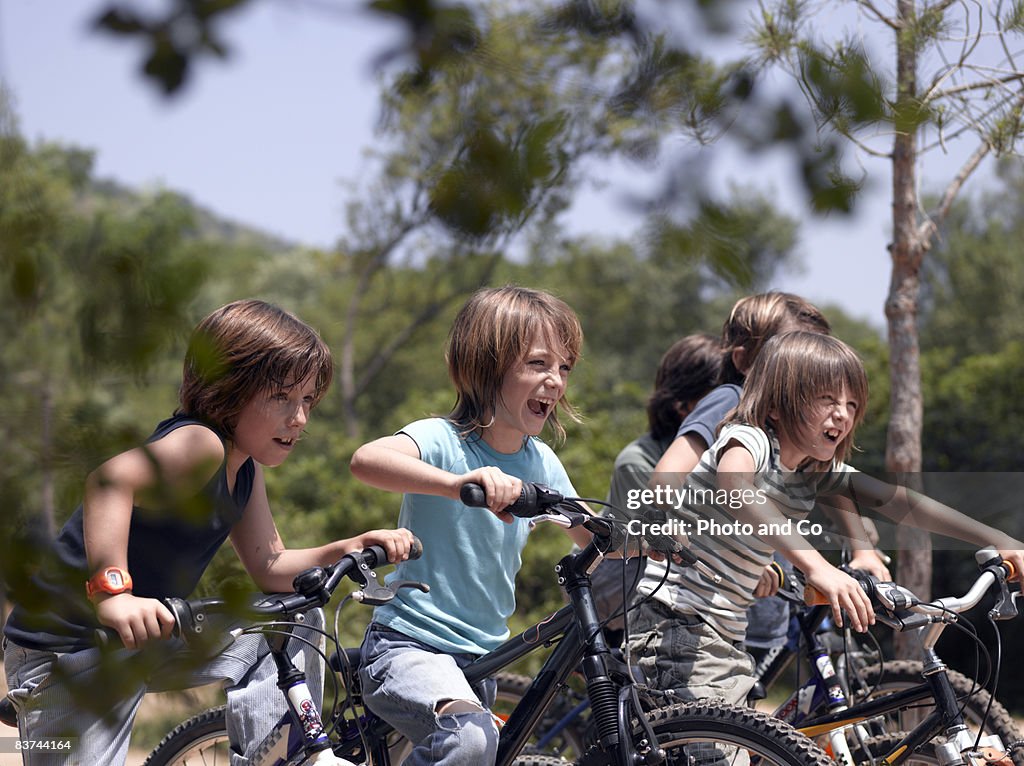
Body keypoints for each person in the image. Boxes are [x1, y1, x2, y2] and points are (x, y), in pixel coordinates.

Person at [2, 299, 415, 766]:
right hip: (71, 651)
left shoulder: (245, 470)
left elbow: (271, 565)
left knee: (290, 621)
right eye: (281, 397)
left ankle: (279, 757)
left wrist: (347, 547)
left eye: (306, 401)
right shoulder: (200, 444)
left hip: (142, 640)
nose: (299, 418)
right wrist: (113, 592)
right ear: (228, 390)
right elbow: (109, 481)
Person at [627, 331, 1024, 708]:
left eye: (852, 405)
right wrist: (818, 567)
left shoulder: (813, 470)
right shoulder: (750, 439)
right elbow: (735, 487)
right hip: (674, 622)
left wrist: (994, 536)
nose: (842, 415)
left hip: (724, 634)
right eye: (827, 399)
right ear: (779, 403)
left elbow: (901, 503)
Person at [349, 285, 595, 766]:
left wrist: (650, 538)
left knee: (482, 748)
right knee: (471, 741)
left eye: (564, 368)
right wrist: (459, 484)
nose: (556, 381)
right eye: (538, 364)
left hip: (480, 663)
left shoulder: (540, 462)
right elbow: (366, 460)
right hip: (407, 647)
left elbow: (588, 531)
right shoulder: (441, 439)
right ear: (487, 366)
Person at [650, 292, 889, 661]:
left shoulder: (799, 437)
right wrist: (684, 538)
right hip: (700, 594)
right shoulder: (732, 401)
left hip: (756, 595)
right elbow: (667, 477)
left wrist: (862, 549)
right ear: (745, 361)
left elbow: (835, 486)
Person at [590, 333, 722, 645]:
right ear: (683, 406)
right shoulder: (638, 463)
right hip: (612, 576)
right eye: (717, 400)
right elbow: (650, 547)